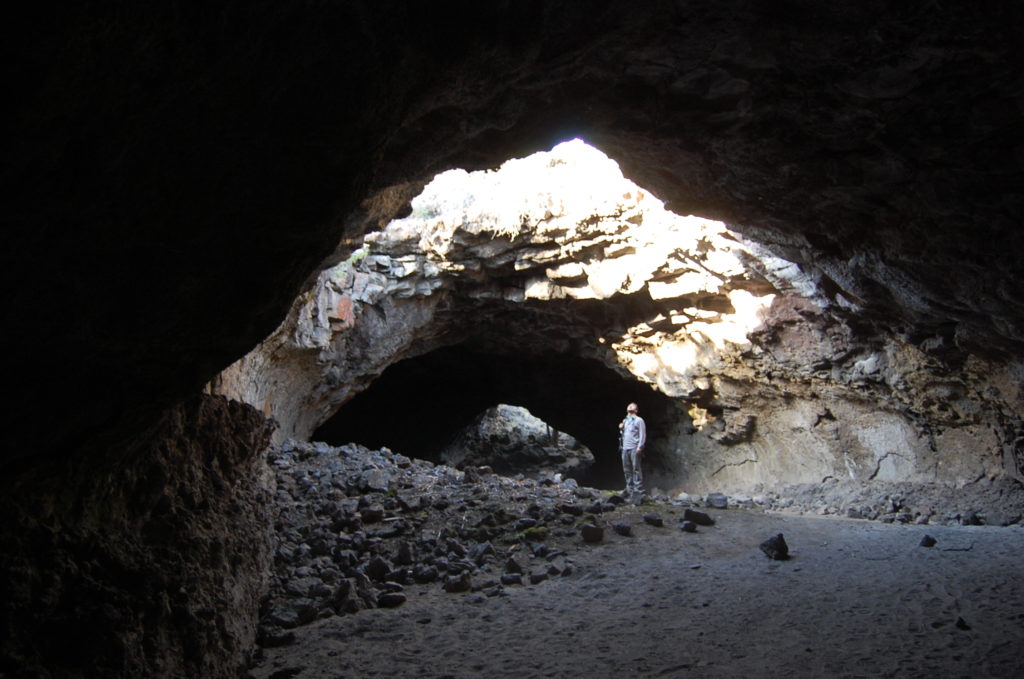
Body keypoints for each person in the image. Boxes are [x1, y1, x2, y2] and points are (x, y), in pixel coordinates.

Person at [619, 402, 646, 495]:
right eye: (629, 405)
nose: (630, 406)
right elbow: (623, 434)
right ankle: (629, 487)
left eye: (632, 405)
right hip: (625, 448)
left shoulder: (639, 420)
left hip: (634, 447)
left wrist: (640, 447)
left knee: (636, 468)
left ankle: (638, 488)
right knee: (626, 468)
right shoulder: (625, 420)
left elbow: (642, 434)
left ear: (636, 410)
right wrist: (621, 428)